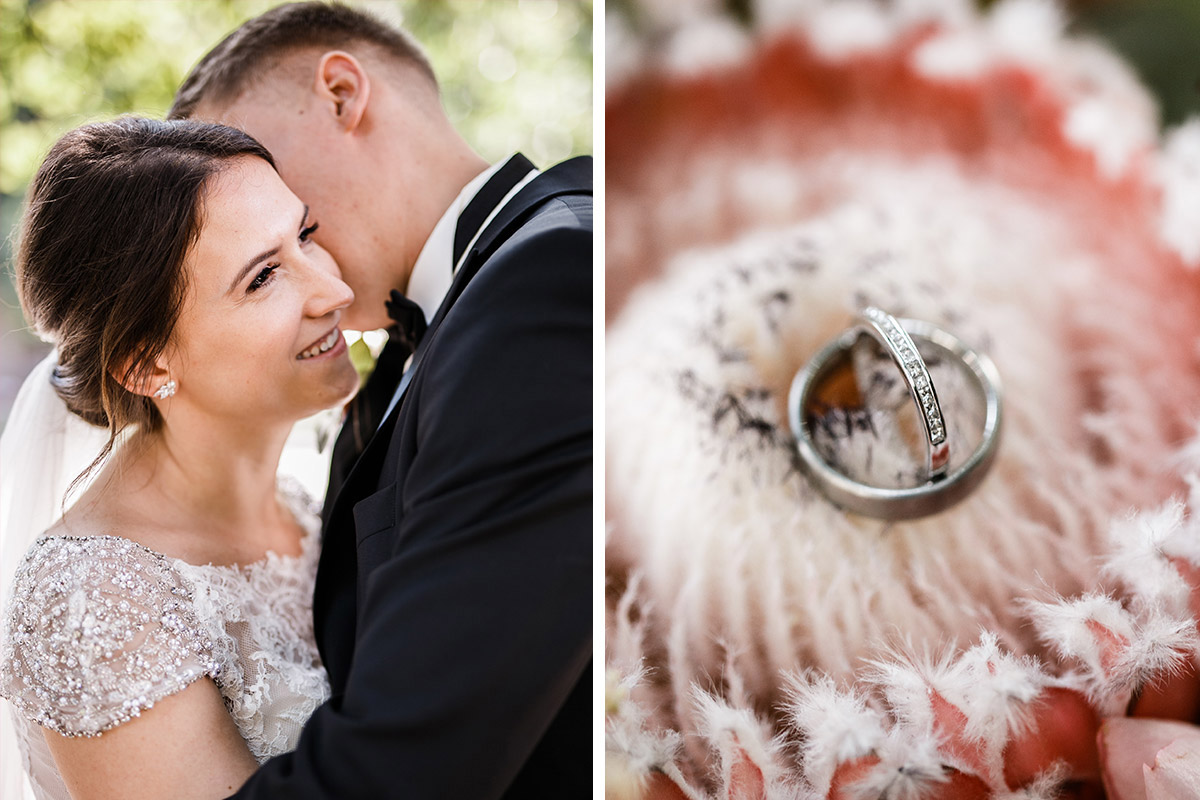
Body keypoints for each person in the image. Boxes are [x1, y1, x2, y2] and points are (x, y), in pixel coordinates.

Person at [168, 2, 592, 798]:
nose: (250, 217)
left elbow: (409, 769)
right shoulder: (447, 327)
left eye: (255, 164)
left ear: (340, 92)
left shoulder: (543, 287)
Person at [0, 117, 361, 799]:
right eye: (264, 277)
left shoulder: (312, 507)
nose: (334, 293)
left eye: (305, 237)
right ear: (144, 363)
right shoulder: (96, 599)